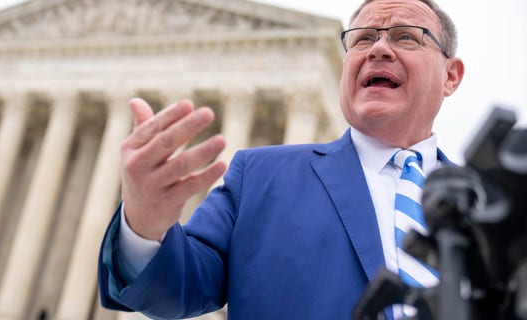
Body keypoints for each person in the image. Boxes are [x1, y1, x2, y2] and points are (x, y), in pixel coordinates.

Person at [98, 0, 465, 319]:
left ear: (450, 76)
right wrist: (144, 226)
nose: (378, 49)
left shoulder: (495, 206)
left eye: (405, 36)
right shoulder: (258, 177)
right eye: (364, 38)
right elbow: (179, 288)